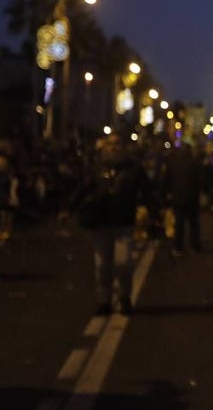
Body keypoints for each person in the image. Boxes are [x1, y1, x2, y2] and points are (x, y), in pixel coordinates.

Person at [69, 135, 151, 317]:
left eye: (117, 144)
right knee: (102, 265)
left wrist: (155, 211)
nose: (113, 148)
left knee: (124, 263)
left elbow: (146, 189)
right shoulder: (96, 167)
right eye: (110, 144)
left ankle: (124, 297)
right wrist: (69, 206)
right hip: (101, 221)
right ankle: (104, 300)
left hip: (123, 221)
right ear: (104, 147)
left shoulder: (133, 168)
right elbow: (83, 187)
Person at [163, 142, 203, 255]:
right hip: (192, 197)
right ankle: (195, 246)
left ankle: (178, 247)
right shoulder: (194, 163)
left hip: (177, 197)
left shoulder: (172, 163)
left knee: (179, 223)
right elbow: (199, 180)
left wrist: (166, 193)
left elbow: (166, 180)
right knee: (194, 223)